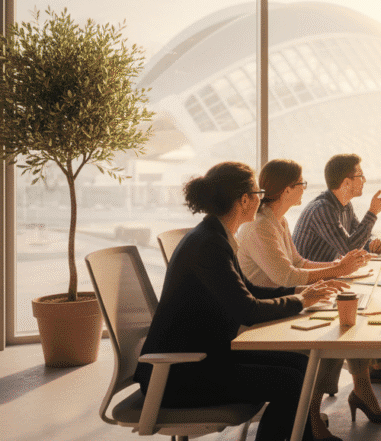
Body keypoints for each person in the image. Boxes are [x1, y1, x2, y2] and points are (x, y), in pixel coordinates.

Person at [134, 162, 341, 441]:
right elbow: (248, 310)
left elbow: (248, 290)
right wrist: (300, 301)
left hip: (203, 357)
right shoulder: (209, 244)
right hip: (179, 374)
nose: (261, 198)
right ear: (245, 200)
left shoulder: (215, 235)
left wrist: (299, 294)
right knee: (292, 380)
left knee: (300, 365)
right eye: (258, 192)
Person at [237, 159, 381, 426]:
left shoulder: (278, 220)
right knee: (336, 329)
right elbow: (287, 276)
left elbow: (298, 263)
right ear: (286, 190)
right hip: (268, 311)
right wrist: (338, 269)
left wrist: (338, 269)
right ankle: (310, 417)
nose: (305, 188)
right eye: (301, 183)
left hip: (288, 298)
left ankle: (358, 392)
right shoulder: (260, 225)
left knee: (350, 316)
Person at [293, 154, 381, 395]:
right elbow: (347, 247)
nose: (364, 180)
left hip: (333, 276)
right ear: (346, 182)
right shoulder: (323, 209)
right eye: (360, 175)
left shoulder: (343, 206)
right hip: (314, 285)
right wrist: (373, 212)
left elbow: (357, 237)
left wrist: (373, 242)